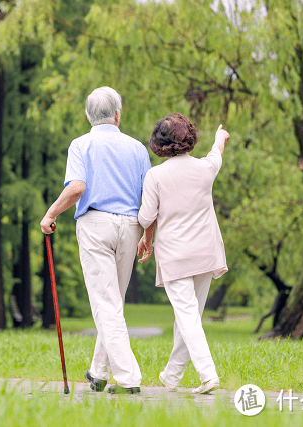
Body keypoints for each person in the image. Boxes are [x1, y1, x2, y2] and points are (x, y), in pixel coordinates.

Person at [40, 86, 151, 394]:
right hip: (130, 226)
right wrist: (147, 235)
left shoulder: (80, 144)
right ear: (118, 114)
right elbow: (149, 197)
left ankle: (129, 378)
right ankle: (98, 372)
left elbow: (77, 188)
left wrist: (51, 214)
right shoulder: (138, 148)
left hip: (96, 224)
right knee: (113, 303)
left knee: (106, 304)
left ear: (87, 115)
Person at [137, 113, 229, 394]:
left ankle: (208, 375)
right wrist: (219, 138)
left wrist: (145, 231)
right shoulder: (204, 169)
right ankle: (172, 375)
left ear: (159, 143)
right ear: (189, 138)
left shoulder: (155, 176)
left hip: (176, 256)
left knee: (187, 317)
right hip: (205, 253)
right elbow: (217, 153)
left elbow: (145, 217)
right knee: (190, 317)